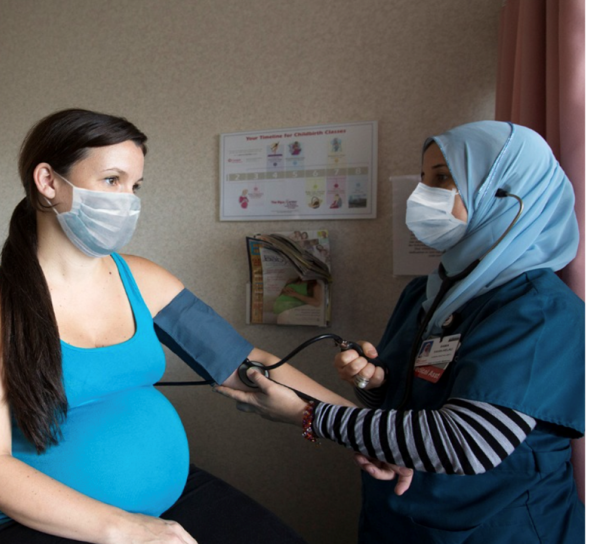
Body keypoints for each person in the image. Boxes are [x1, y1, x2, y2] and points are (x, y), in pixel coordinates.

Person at [0, 109, 357, 544]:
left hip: (168, 499)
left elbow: (246, 362)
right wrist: (125, 530)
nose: (128, 201)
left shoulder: (143, 280)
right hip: (28, 521)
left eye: (135, 186)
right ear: (48, 182)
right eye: (112, 180)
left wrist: (363, 428)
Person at [217, 121, 587, 543]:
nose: (422, 194)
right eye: (425, 178)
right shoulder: (428, 291)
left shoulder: (540, 313)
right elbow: (402, 402)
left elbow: (468, 442)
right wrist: (373, 382)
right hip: (402, 519)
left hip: (499, 528)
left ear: (506, 195)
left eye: (443, 178)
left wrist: (310, 416)